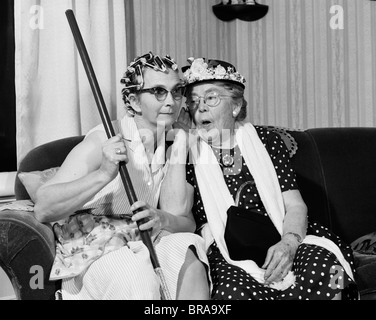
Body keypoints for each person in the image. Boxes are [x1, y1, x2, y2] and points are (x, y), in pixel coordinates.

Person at [172, 57, 359, 300]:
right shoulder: (187, 151)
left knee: (328, 269)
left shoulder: (267, 141)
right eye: (194, 101)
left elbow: (294, 205)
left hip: (280, 231)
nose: (201, 107)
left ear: (236, 106)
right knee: (231, 291)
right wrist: (180, 141)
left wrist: (288, 244)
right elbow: (175, 210)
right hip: (224, 245)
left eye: (211, 98)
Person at [33, 52, 210, 300]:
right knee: (136, 272)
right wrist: (104, 173)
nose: (171, 101)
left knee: (188, 251)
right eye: (159, 91)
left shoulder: (169, 143)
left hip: (144, 239)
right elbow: (43, 207)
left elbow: (185, 221)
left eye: (177, 91)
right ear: (133, 101)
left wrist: (162, 218)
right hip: (95, 250)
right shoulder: (102, 139)